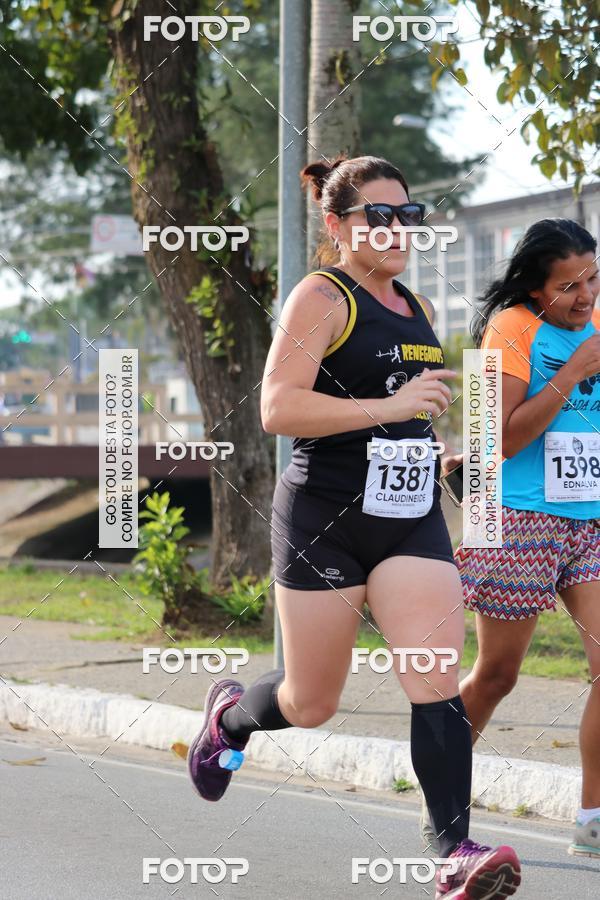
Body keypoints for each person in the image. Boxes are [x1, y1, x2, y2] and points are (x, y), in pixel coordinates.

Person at [187, 154, 521, 898]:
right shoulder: (322, 295)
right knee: (311, 703)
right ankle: (231, 722)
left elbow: (407, 416)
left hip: (409, 523)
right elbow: (277, 408)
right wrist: (388, 410)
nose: (398, 228)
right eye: (380, 215)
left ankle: (454, 851)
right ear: (339, 226)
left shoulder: (418, 308)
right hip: (324, 520)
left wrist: (435, 450)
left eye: (410, 215)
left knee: (434, 679)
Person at [438, 218, 600, 860]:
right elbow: (494, 441)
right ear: (536, 288)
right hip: (513, 516)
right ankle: (442, 798)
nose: (585, 296)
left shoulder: (597, 325)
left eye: (593, 279)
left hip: (590, 518)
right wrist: (573, 371)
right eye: (570, 286)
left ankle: (592, 818)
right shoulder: (509, 330)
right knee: (498, 674)